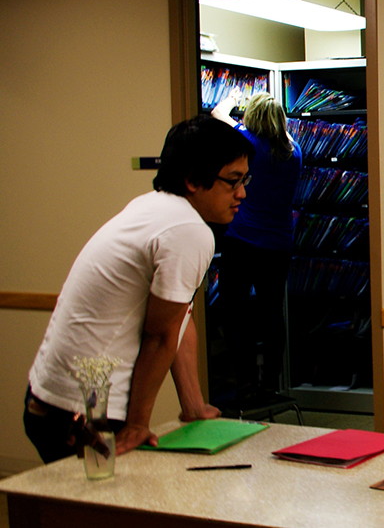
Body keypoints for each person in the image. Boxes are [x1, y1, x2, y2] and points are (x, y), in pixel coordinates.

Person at [23, 115, 255, 463]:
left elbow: (178, 318)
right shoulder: (187, 230)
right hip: (83, 409)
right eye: (233, 181)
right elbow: (160, 335)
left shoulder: (153, 207)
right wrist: (137, 423)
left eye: (245, 180)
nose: (242, 193)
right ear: (193, 179)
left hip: (51, 399)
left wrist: (193, 406)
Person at [211, 90, 302, 394]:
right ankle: (271, 382)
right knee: (272, 311)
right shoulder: (294, 150)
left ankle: (246, 379)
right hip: (279, 243)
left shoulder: (248, 143)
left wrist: (232, 97)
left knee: (235, 311)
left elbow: (218, 114)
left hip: (243, 240)